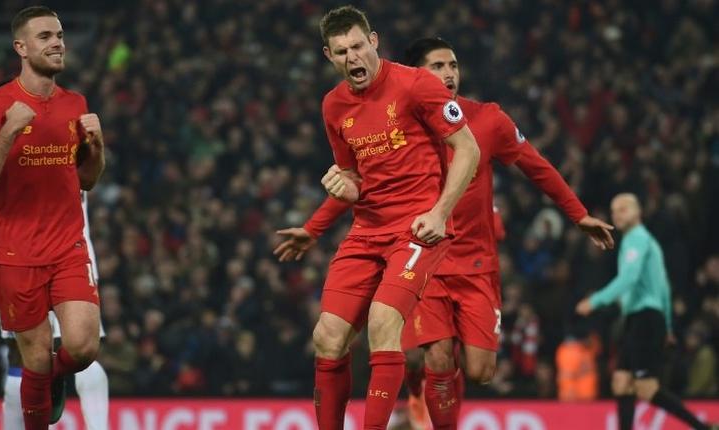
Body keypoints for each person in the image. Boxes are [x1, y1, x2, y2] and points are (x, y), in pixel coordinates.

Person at [276, 37, 614, 429]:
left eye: (452, 65)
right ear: (419, 75)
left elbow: (535, 165)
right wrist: (314, 228)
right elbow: (365, 185)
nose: (449, 74)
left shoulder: (487, 120)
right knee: (435, 355)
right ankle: (425, 406)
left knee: (481, 369)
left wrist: (579, 215)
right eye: (437, 67)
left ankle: (423, 390)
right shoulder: (397, 120)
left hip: (476, 263)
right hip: (423, 251)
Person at [312, 7, 481, 429]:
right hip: (367, 229)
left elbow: (469, 150)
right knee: (327, 338)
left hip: (417, 227)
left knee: (382, 324)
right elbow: (354, 179)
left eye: (356, 46)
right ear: (329, 57)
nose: (352, 58)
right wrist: (344, 189)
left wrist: (440, 212)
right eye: (340, 52)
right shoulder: (334, 107)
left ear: (374, 41)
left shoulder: (416, 84)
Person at [0, 6, 105, 429]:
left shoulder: (75, 104)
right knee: (35, 357)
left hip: (67, 245)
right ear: (20, 48)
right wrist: (8, 130)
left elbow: (87, 181)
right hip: (14, 252)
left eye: (59, 35)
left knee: (82, 348)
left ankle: (55, 379)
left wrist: (96, 148)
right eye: (45, 37)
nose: (57, 42)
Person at [0, 192, 109, 429]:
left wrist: (0, 220)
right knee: (62, 353)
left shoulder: (31, 157)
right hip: (63, 251)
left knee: (50, 353)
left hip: (38, 254)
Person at [576, 193, 718, 430]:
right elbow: (663, 287)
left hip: (645, 319)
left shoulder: (638, 240)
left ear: (637, 212)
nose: (616, 214)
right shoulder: (646, 243)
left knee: (646, 387)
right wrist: (669, 325)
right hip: (640, 319)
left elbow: (629, 278)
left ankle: (702, 428)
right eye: (613, 210)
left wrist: (597, 300)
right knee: (621, 382)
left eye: (623, 209)